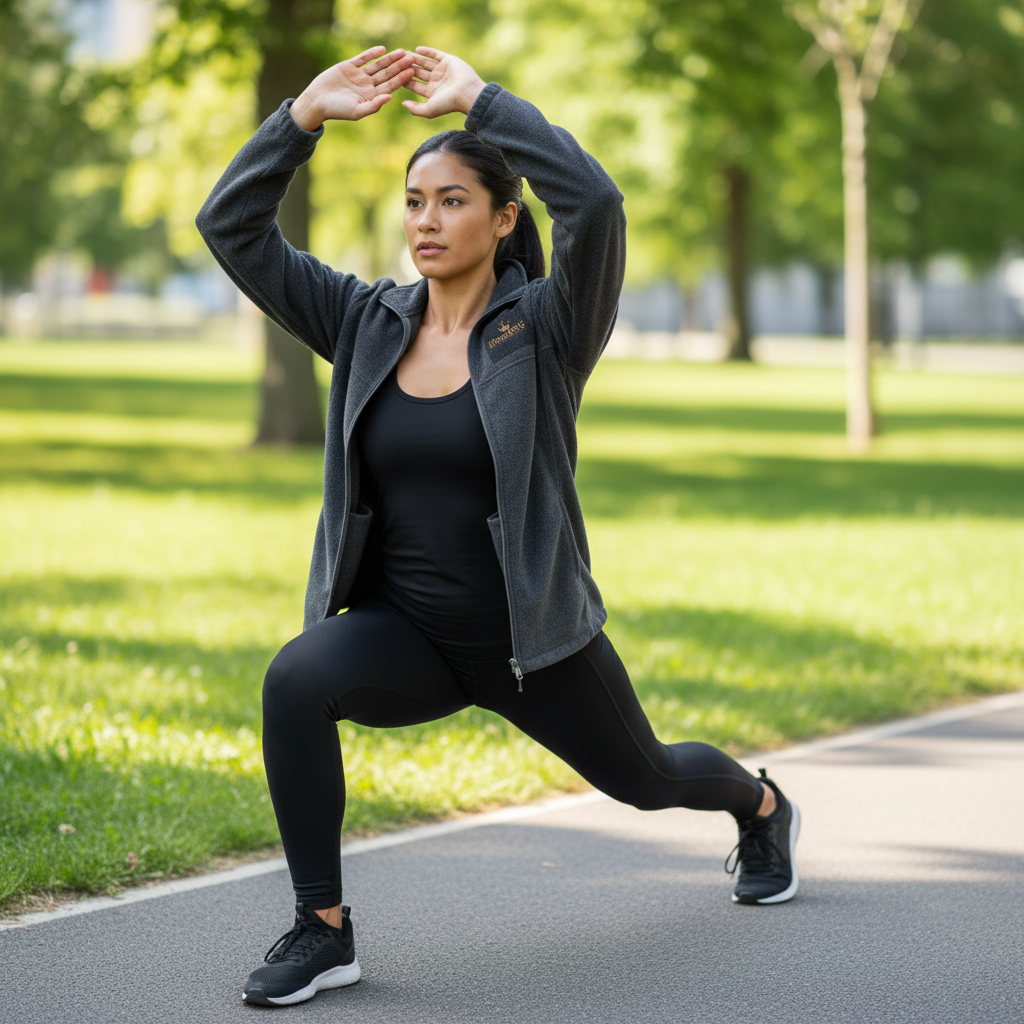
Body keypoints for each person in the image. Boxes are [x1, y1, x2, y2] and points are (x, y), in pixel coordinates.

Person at [197, 44, 801, 1009]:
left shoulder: (551, 328)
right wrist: (301, 117)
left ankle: (760, 806)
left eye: (452, 200)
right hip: (413, 637)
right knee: (294, 679)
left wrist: (483, 101)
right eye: (414, 201)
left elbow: (597, 207)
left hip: (535, 642)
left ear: (505, 217)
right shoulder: (365, 322)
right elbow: (231, 227)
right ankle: (323, 929)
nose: (426, 221)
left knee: (647, 778)